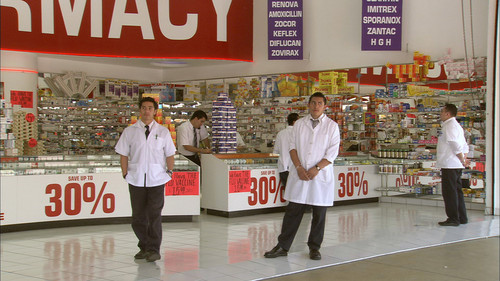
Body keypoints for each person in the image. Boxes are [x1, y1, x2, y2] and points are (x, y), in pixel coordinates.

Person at [264, 92, 340, 261]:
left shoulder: (332, 126)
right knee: (293, 211)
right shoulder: (299, 124)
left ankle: (314, 248)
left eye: (319, 103)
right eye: (313, 102)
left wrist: (317, 168)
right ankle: (282, 246)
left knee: (319, 214)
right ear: (309, 105)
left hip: (320, 176)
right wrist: (298, 167)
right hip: (299, 174)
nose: (316, 106)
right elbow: (292, 148)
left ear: (324, 106)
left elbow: (333, 152)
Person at [115, 97, 176, 262]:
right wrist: (125, 173)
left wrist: (169, 172)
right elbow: (123, 154)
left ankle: (154, 249)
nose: (146, 111)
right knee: (138, 216)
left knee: (154, 215)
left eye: (150, 108)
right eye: (143, 108)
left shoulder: (162, 131)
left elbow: (170, 154)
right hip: (135, 179)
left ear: (155, 111)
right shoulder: (130, 131)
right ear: (139, 110)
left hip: (156, 179)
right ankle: (144, 246)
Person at [436, 103, 469, 227]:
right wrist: (463, 158)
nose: (441, 114)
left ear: (448, 114)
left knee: (449, 192)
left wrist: (461, 158)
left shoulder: (449, 126)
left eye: (442, 112)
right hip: (455, 164)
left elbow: (454, 143)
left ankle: (453, 218)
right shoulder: (457, 126)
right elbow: (464, 144)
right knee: (457, 191)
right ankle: (462, 217)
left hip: (450, 164)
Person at [273, 113, 299, 188]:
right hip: (295, 168)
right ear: (294, 122)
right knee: (296, 194)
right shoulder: (298, 133)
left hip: (283, 168)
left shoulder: (280, 134)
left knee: (289, 193)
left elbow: (275, 151)